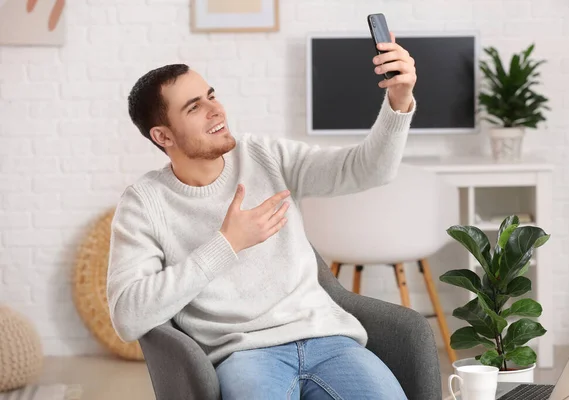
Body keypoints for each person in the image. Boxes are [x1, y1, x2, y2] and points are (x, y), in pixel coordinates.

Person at [107, 34, 417, 399]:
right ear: (163, 136)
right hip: (244, 354)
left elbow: (367, 169)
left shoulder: (264, 156)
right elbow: (127, 316)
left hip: (328, 340)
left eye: (211, 95)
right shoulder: (145, 203)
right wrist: (226, 245)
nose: (216, 110)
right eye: (194, 107)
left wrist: (399, 100)